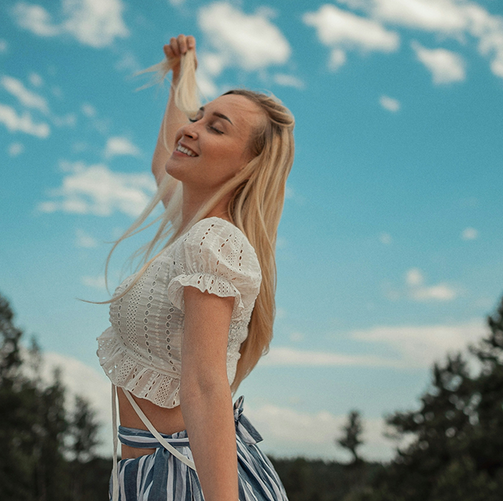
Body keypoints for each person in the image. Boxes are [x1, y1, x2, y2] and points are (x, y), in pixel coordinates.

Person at [96, 34, 294, 501]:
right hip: (153, 470)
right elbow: (164, 159)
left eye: (216, 128)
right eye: (197, 116)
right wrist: (182, 76)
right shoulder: (191, 230)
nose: (192, 129)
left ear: (248, 166)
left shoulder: (213, 240)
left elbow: (205, 387)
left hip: (186, 476)